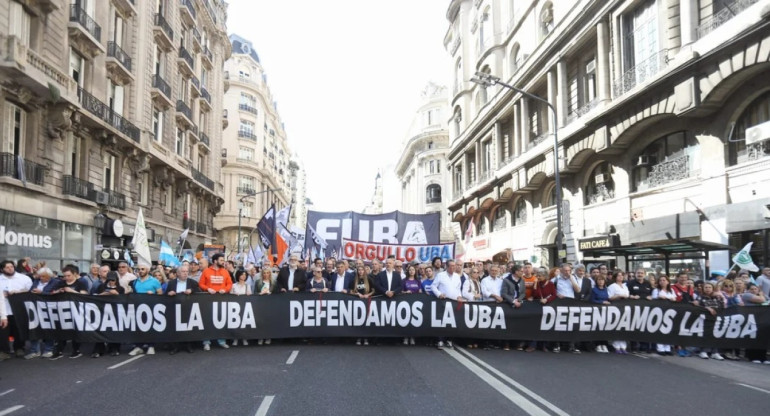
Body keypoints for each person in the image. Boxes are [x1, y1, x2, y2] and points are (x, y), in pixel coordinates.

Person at [49, 265, 89, 359]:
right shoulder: (61, 283)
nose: (66, 278)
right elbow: (51, 293)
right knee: (60, 330)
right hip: (62, 310)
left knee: (75, 330)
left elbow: (84, 295)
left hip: (76, 310)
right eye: (65, 276)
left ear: (74, 274)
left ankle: (76, 350)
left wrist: (71, 291)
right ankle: (59, 350)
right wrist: (59, 291)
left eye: (69, 275)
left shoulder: (80, 283)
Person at [199, 253, 233, 351]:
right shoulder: (206, 271)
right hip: (208, 299)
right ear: (215, 261)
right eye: (221, 260)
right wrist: (207, 289)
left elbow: (230, 284)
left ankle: (221, 341)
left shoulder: (225, 272)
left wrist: (225, 290)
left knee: (221, 320)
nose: (223, 262)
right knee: (207, 320)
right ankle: (206, 342)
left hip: (222, 299)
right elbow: (201, 284)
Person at [128, 263, 162, 356]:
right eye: (139, 269)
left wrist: (153, 294)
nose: (140, 271)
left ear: (147, 270)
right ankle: (139, 346)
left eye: (143, 269)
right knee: (138, 328)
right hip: (138, 308)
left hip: (151, 307)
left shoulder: (154, 281)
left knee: (150, 327)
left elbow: (161, 294)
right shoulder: (134, 282)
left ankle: (151, 346)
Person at [0, 260, 31, 360]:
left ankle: (19, 348)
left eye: (11, 267)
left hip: (19, 309)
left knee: (18, 330)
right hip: (4, 309)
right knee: (3, 332)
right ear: (2, 269)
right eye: (7, 267)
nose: (10, 269)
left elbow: (30, 291)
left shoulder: (24, 278)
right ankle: (4, 351)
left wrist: (18, 292)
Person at [91, 271, 125, 357]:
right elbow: (96, 296)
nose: (111, 282)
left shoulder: (120, 288)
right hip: (102, 311)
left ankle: (114, 348)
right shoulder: (101, 287)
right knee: (100, 330)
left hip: (115, 312)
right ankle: (98, 349)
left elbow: (123, 299)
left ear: (116, 280)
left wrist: (116, 293)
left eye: (113, 280)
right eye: (110, 280)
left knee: (115, 330)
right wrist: (106, 293)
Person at [431, 260, 463, 349]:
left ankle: (449, 340)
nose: (454, 267)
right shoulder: (440, 275)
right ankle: (440, 340)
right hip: (443, 301)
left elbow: (458, 288)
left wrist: (459, 296)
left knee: (451, 322)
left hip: (453, 302)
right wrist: (439, 294)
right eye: (451, 266)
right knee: (442, 320)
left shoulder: (457, 276)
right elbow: (433, 286)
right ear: (447, 267)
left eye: (454, 266)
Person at [741, 283, 769, 363]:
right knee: (753, 337)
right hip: (751, 320)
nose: (754, 290)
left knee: (763, 338)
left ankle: (762, 357)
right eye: (752, 289)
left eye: (755, 289)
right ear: (748, 290)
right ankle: (752, 356)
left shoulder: (764, 295)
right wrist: (761, 294)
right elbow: (762, 300)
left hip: (762, 320)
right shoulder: (746, 295)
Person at [697, 282, 724, 360]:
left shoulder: (717, 297)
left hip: (716, 318)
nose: (708, 289)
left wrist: (721, 296)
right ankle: (703, 351)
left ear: (713, 289)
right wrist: (707, 308)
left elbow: (723, 306)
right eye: (706, 287)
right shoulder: (700, 297)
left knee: (716, 334)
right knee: (706, 334)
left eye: (709, 287)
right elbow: (697, 306)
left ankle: (715, 352)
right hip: (705, 319)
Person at [651, 275, 676, 355]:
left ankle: (667, 348)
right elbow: (653, 299)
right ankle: (660, 348)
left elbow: (675, 299)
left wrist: (671, 298)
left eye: (664, 280)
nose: (662, 282)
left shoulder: (671, 290)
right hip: (660, 312)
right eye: (660, 280)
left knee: (668, 330)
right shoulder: (656, 290)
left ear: (668, 281)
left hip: (669, 313)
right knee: (660, 330)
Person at [607, 270, 630, 354]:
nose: (620, 277)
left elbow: (627, 295)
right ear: (615, 277)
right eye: (618, 275)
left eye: (621, 275)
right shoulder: (612, 286)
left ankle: (623, 345)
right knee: (617, 325)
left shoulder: (625, 286)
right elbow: (609, 297)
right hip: (616, 307)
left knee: (623, 326)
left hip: (625, 307)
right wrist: (618, 296)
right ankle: (616, 344)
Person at [353, 265, 374, 346]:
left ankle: (366, 338)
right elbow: (350, 290)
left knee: (367, 320)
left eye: (362, 270)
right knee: (358, 320)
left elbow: (374, 290)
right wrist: (357, 293)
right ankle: (358, 337)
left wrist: (368, 295)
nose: (360, 271)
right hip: (357, 302)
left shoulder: (369, 279)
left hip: (367, 302)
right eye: (359, 270)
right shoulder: (355, 280)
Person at [401, 264, 422, 346]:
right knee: (406, 320)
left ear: (415, 271)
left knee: (414, 320)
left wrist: (420, 292)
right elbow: (401, 291)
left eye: (413, 270)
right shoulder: (404, 280)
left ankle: (413, 337)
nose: (411, 271)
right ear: (408, 271)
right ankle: (406, 337)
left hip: (416, 304)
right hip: (406, 303)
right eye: (410, 270)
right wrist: (406, 292)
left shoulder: (418, 281)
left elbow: (420, 290)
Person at [589, 274, 610, 353]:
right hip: (597, 311)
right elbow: (592, 300)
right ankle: (598, 344)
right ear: (596, 281)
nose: (601, 281)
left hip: (605, 311)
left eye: (602, 280)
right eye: (599, 280)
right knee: (598, 328)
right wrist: (602, 302)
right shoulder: (594, 289)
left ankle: (604, 344)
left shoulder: (606, 289)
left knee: (604, 328)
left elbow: (608, 298)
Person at [230, 270, 252, 347]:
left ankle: (244, 338)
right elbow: (229, 295)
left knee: (244, 323)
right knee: (235, 323)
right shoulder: (234, 285)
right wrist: (233, 294)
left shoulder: (247, 285)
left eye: (245, 275)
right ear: (238, 275)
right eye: (242, 275)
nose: (243, 276)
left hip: (244, 307)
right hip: (235, 307)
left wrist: (249, 294)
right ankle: (235, 339)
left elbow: (250, 294)